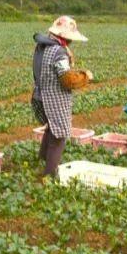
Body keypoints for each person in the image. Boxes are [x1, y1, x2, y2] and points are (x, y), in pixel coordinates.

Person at [31, 16, 94, 177]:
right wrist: (85, 76)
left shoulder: (41, 46)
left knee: (51, 129)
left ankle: (41, 161)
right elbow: (67, 79)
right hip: (54, 99)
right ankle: (49, 174)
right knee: (59, 136)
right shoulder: (58, 52)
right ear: (65, 37)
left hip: (39, 95)